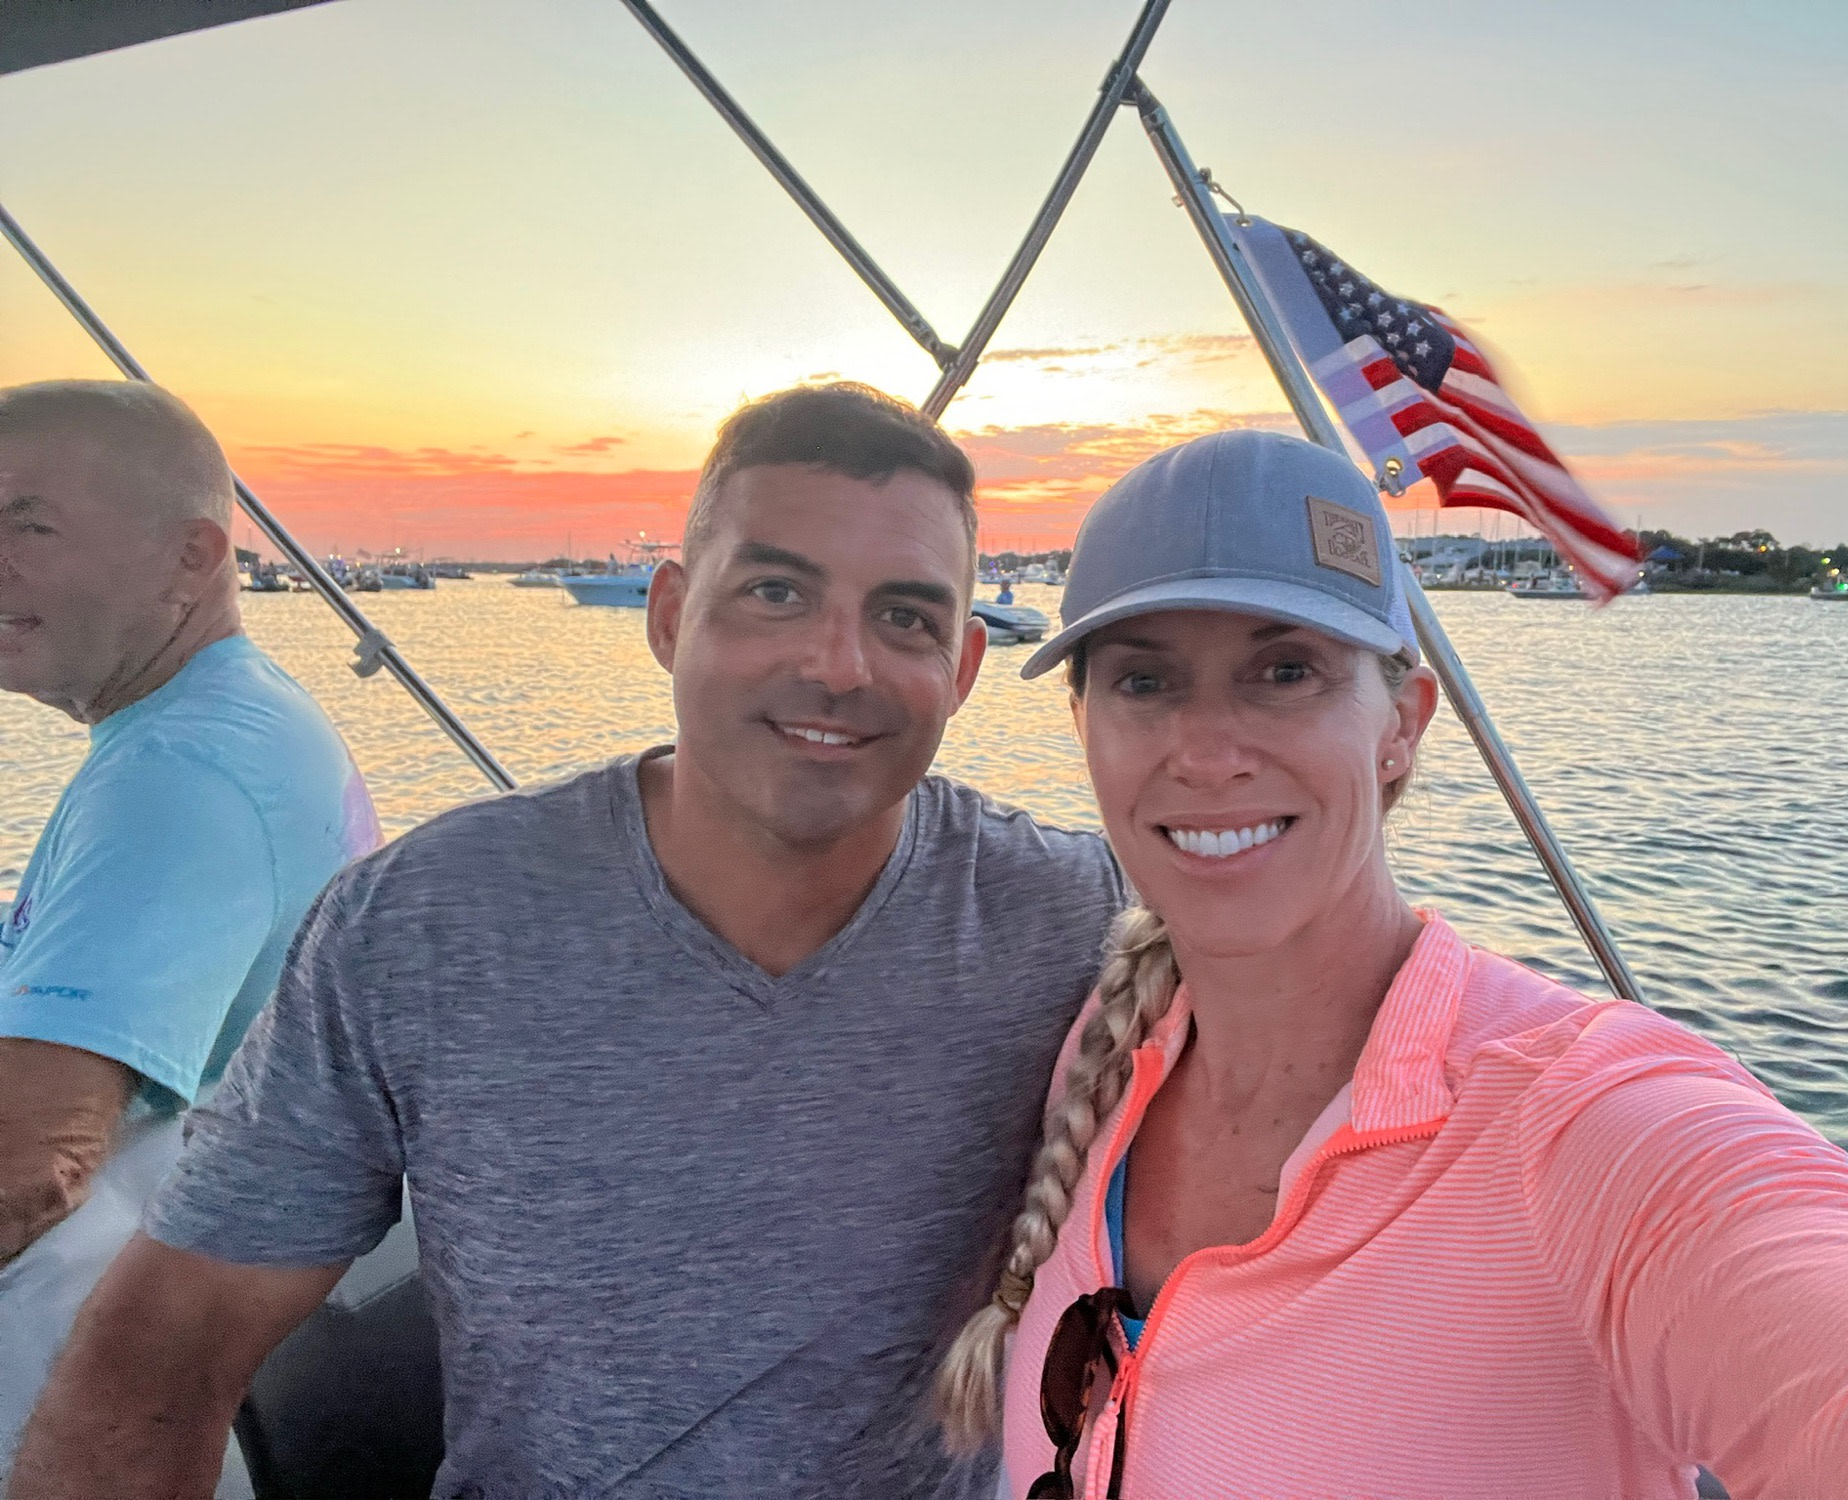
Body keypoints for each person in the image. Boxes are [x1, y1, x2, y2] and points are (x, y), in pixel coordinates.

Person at [11, 383, 1127, 1500]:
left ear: (963, 668)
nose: (839, 665)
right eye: (775, 592)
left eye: (904, 618)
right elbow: (162, 1352)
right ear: (669, 616)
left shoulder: (1074, 917)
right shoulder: (423, 924)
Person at [936, 429, 1848, 1499]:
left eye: (1286, 672)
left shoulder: (1583, 1127)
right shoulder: (1108, 1053)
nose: (1207, 752)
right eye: (1144, 681)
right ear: (1082, 724)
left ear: (1400, 724)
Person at [0, 381, 380, 1477]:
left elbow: (34, 1166)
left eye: (29, 525)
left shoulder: (180, 773)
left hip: (87, 1379)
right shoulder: (230, 712)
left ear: (190, 558)